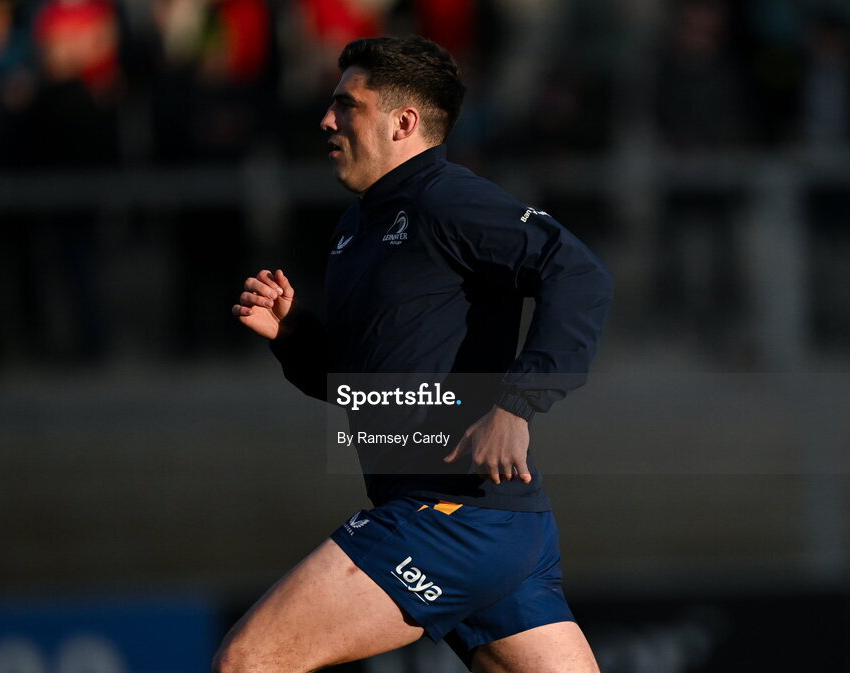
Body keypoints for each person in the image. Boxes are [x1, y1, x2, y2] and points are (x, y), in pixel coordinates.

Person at [223, 36, 612, 673]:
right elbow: (365, 385)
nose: (326, 119)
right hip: (492, 520)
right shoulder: (356, 229)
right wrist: (294, 335)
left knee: (249, 660)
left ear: (404, 122)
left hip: (451, 517)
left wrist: (517, 404)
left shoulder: (446, 198)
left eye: (346, 105)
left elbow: (580, 272)